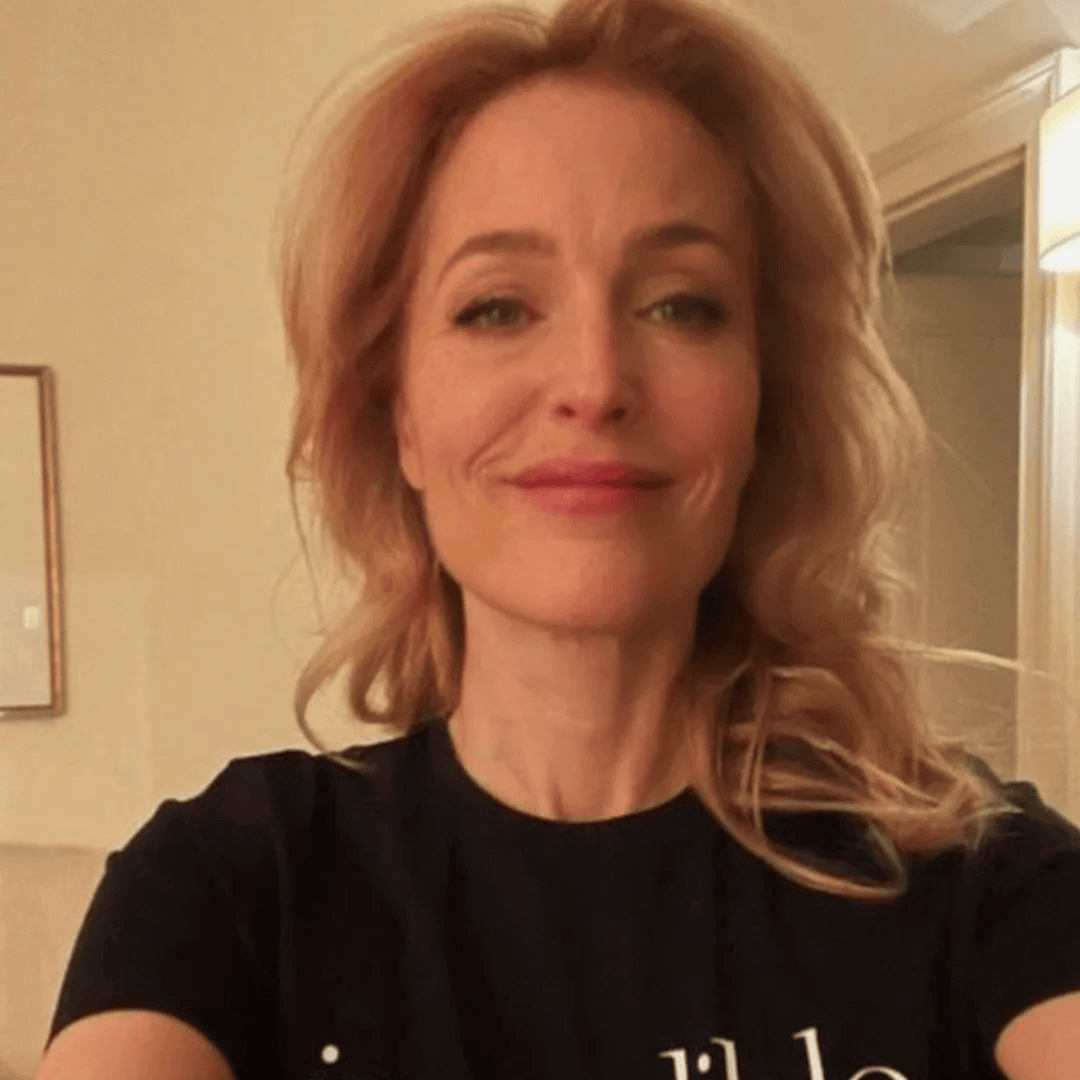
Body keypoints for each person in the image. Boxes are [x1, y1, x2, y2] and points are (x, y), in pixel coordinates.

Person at [35, 0, 1080, 1077]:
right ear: (400, 416)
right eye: (497, 308)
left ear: (764, 404)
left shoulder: (983, 879)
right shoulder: (225, 886)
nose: (595, 382)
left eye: (681, 305)